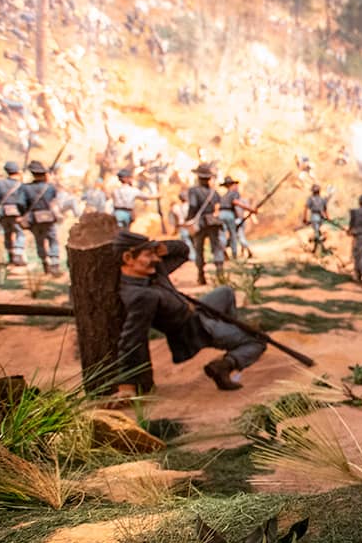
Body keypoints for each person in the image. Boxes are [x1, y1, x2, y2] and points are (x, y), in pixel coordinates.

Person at [111, 230, 266, 396]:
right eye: (148, 255)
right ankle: (225, 365)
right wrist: (126, 384)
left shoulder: (153, 270)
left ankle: (231, 336)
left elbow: (183, 251)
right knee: (257, 340)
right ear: (128, 259)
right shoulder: (141, 296)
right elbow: (132, 339)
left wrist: (164, 248)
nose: (155, 259)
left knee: (225, 293)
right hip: (193, 329)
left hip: (196, 311)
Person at [14, 160, 63, 276]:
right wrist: (48, 180)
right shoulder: (50, 187)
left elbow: (20, 204)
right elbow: (54, 197)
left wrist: (24, 213)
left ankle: (45, 263)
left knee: (39, 241)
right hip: (48, 218)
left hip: (34, 219)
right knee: (53, 240)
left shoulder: (25, 188)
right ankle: (55, 264)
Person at [185, 163, 224, 284]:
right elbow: (218, 206)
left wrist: (189, 220)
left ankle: (201, 276)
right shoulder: (214, 192)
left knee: (199, 249)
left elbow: (193, 206)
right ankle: (220, 273)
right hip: (213, 221)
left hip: (200, 223)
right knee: (216, 247)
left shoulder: (193, 191)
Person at [0, 160, 26, 266]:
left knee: (7, 234)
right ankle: (17, 255)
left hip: (3, 213)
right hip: (17, 213)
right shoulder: (21, 184)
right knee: (20, 234)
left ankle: (11, 256)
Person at [217, 176, 256, 260]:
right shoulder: (234, 193)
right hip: (229, 214)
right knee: (233, 234)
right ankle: (234, 256)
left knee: (222, 235)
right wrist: (250, 209)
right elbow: (236, 203)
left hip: (221, 214)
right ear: (231, 185)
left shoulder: (224, 196)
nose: (236, 186)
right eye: (234, 185)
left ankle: (224, 253)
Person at [168, 190, 196, 262]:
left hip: (182, 226)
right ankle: (196, 256)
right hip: (191, 226)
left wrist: (176, 229)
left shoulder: (176, 207)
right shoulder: (191, 205)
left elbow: (176, 219)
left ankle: (192, 257)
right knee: (194, 241)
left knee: (187, 242)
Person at [303, 183, 328, 254]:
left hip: (314, 216)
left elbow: (305, 208)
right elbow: (325, 209)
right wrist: (327, 217)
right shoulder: (322, 199)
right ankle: (316, 247)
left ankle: (316, 241)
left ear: (313, 191)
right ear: (319, 191)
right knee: (317, 231)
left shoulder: (310, 199)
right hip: (321, 217)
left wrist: (304, 218)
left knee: (316, 232)